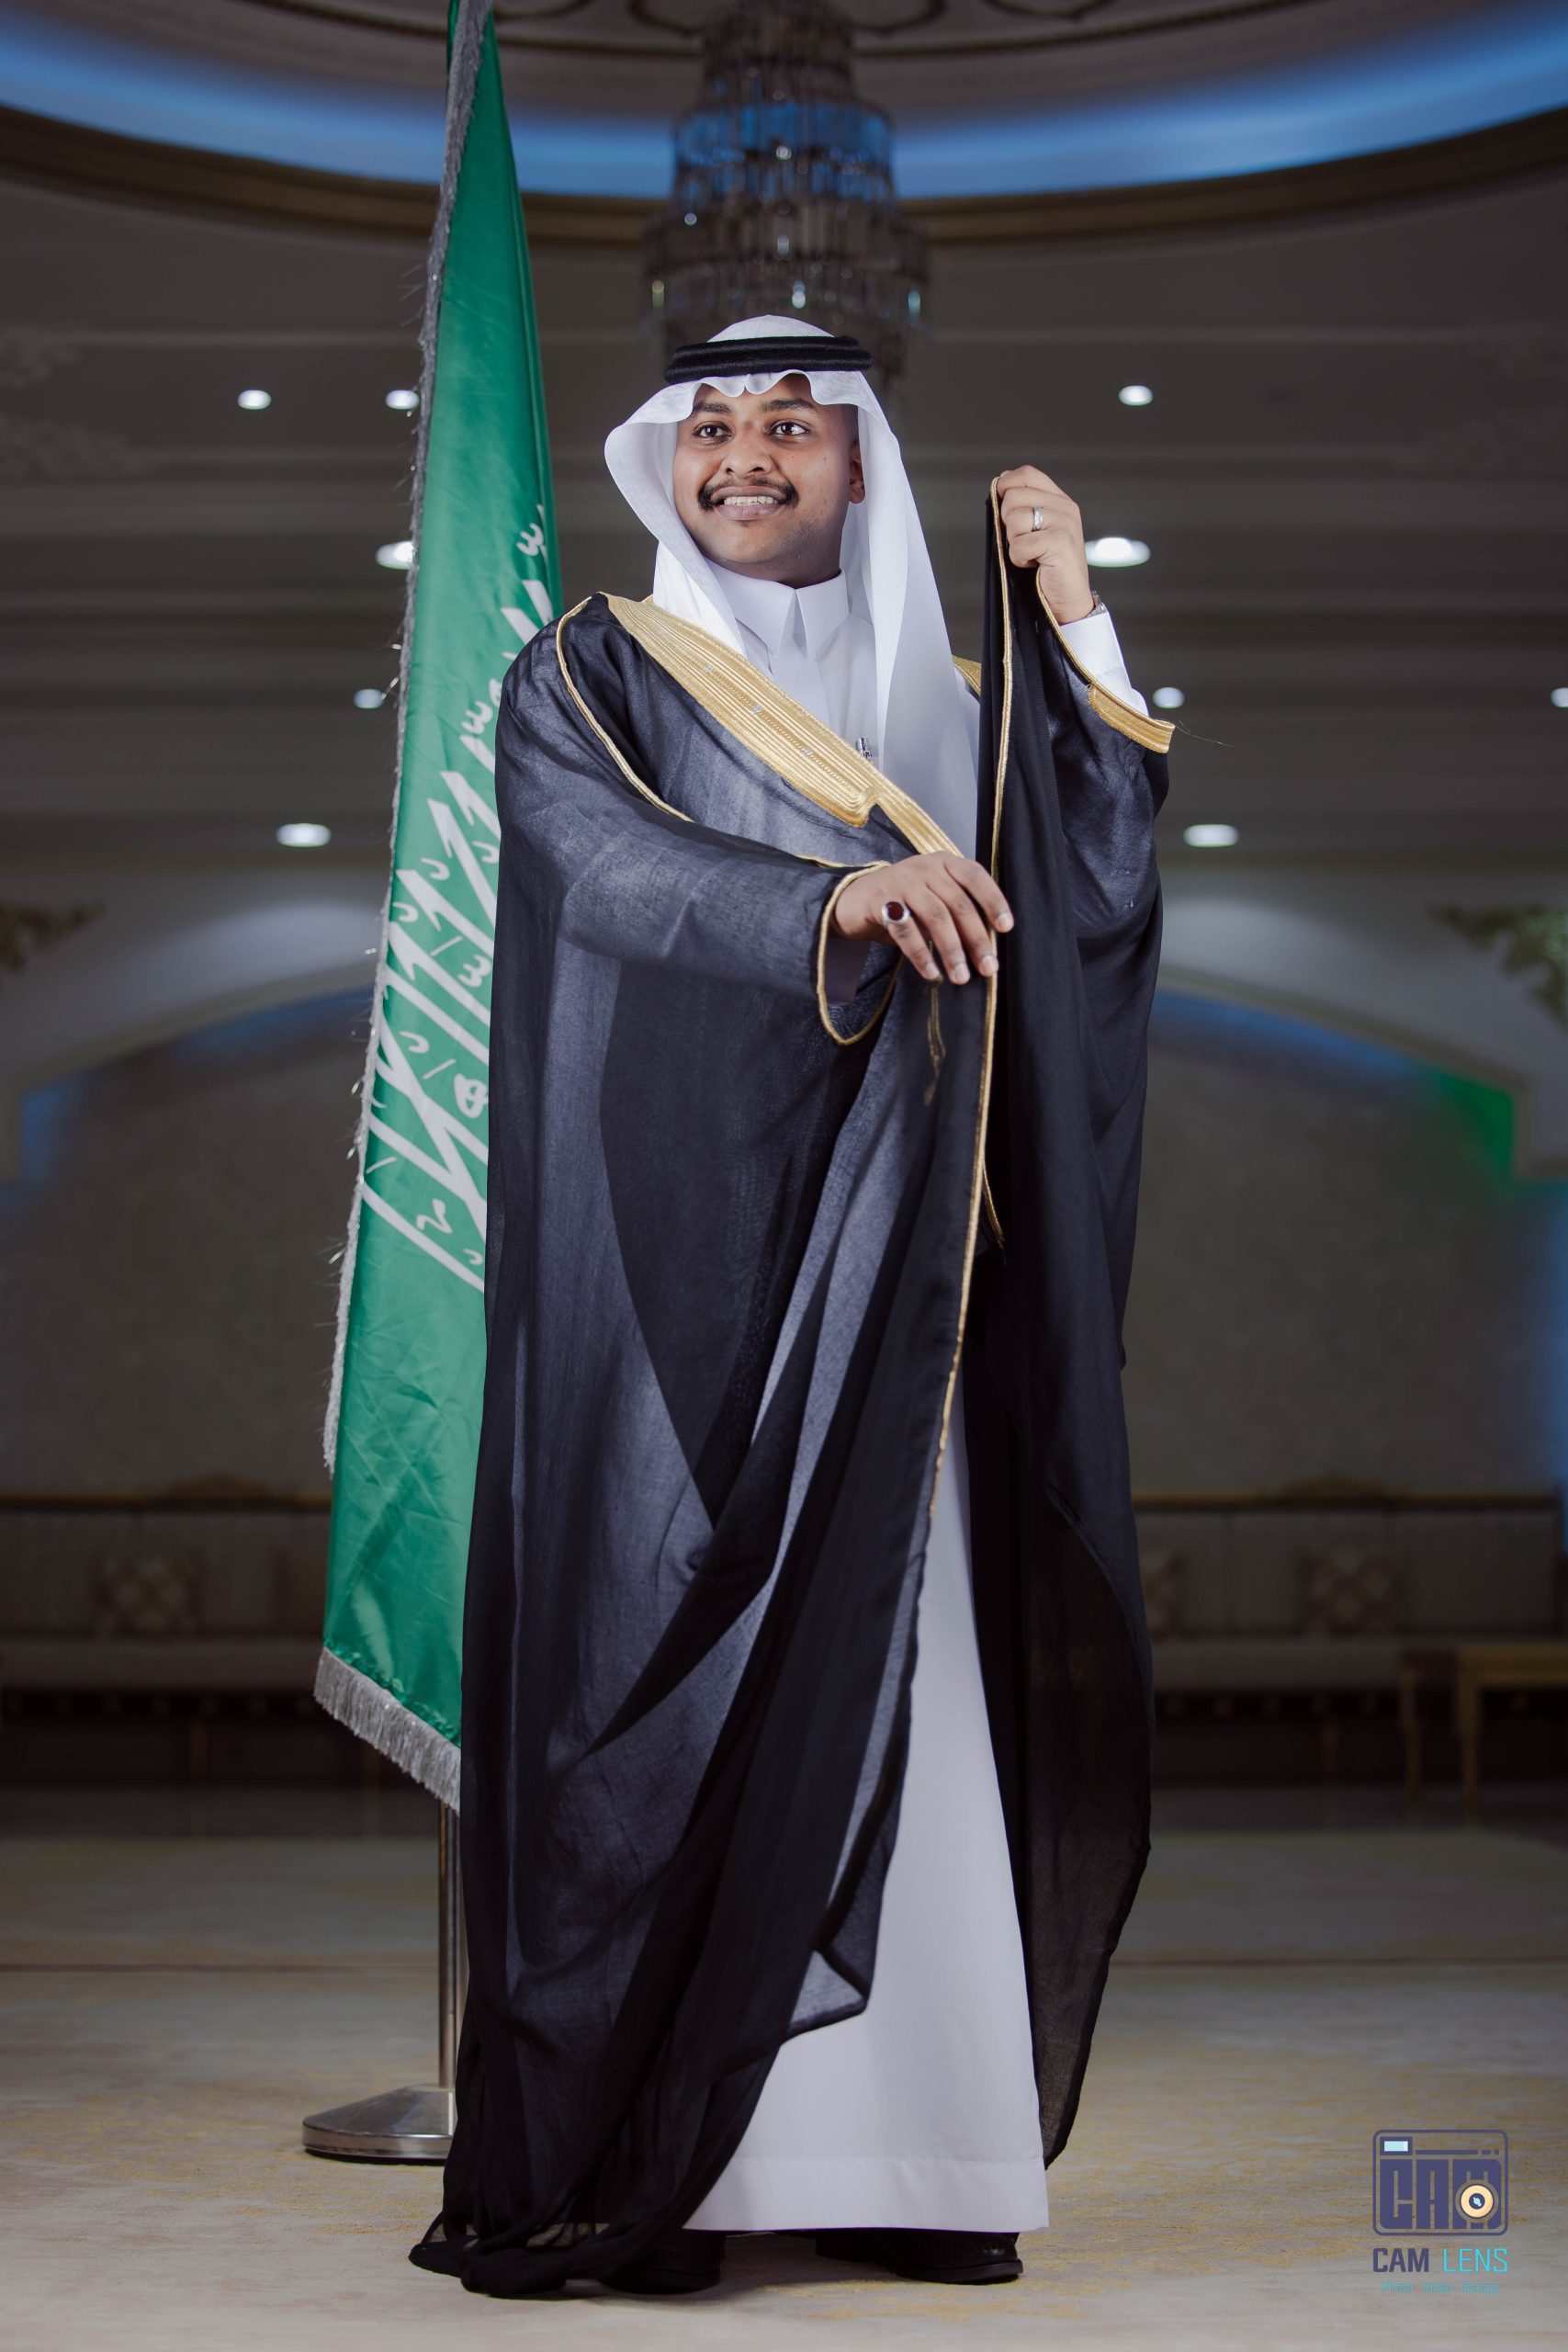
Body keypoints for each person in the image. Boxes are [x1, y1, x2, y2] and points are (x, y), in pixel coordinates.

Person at [411, 316, 1171, 2301]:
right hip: (688, 1278)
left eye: (788, 428)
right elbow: (598, 867)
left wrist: (1073, 620)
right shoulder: (597, 669)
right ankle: (676, 2166)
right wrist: (823, 905)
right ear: (664, 460)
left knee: (912, 1681)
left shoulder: (952, 706)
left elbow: (1084, 880)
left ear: (858, 466)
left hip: (909, 1298)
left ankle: (923, 2156)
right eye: (711, 429)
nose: (742, 458)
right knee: (673, 1680)